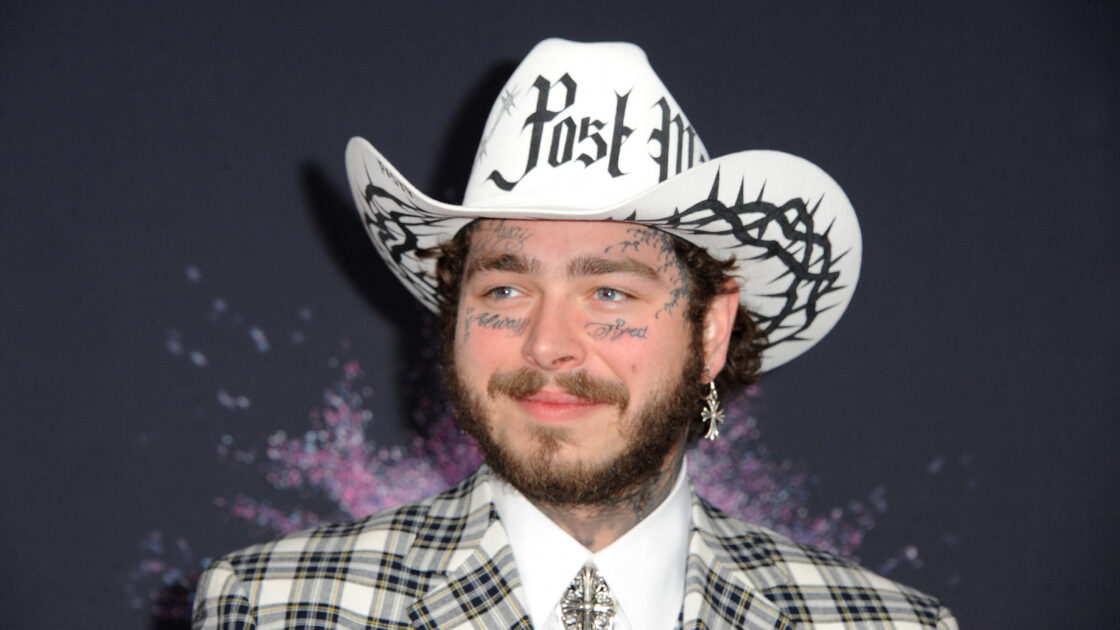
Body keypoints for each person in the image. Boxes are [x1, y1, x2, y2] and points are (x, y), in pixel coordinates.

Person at [193, 38, 956, 629]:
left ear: (711, 331)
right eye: (505, 288)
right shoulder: (272, 607)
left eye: (610, 292)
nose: (548, 344)